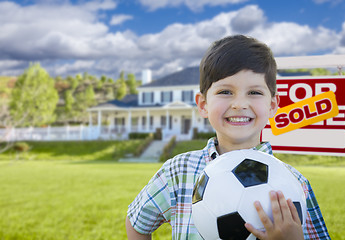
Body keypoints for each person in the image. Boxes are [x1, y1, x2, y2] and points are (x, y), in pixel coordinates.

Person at [126, 35, 330, 240]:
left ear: (272, 105)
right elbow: (136, 222)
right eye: (225, 91)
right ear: (203, 104)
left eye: (254, 92)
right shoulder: (178, 171)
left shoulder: (293, 183)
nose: (239, 104)